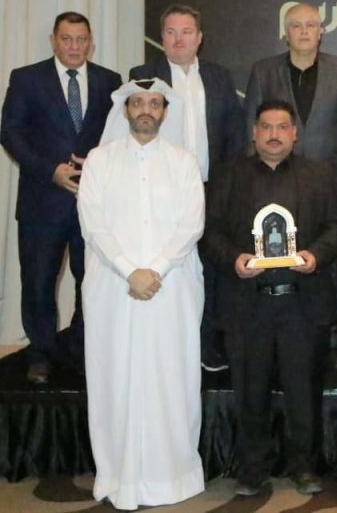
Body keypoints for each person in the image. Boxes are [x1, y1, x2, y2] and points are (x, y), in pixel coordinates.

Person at [202, 99, 337, 497]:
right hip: (248, 304)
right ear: (254, 133)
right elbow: (210, 232)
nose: (274, 134)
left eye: (283, 127)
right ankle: (252, 470)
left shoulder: (319, 175)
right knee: (250, 391)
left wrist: (317, 256)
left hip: (303, 303)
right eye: (266, 127)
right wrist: (234, 259)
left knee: (303, 392)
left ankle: (304, 467)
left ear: (295, 133)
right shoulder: (228, 176)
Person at [77, 79, 204, 510]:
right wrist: (130, 271)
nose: (146, 109)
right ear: (125, 109)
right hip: (114, 289)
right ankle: (120, 476)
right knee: (115, 376)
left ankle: (173, 477)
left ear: (165, 111)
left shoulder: (183, 162)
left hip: (172, 288)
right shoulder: (99, 160)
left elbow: (191, 224)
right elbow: (92, 223)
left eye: (154, 103)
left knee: (171, 376)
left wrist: (157, 269)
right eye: (137, 102)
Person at [1, 11, 121, 384]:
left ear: (91, 42)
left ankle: (82, 349)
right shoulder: (26, 78)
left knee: (92, 281)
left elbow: (118, 137)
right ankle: (40, 354)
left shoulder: (109, 81)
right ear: (54, 40)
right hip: (42, 200)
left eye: (81, 39)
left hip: (93, 203)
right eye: (66, 39)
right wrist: (49, 170)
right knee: (38, 282)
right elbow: (10, 132)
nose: (74, 46)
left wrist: (99, 164)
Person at [244, 2, 337, 369]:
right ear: (285, 32)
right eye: (296, 25)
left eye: (311, 25)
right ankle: (274, 338)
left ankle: (329, 338)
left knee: (325, 260)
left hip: (326, 186)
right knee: (276, 255)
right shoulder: (264, 71)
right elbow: (250, 132)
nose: (304, 32)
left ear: (321, 31)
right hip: (274, 182)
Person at [130, 3, 245, 372]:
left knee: (210, 269)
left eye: (186, 32)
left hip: (211, 188)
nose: (178, 39)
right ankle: (164, 347)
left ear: (199, 38)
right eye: (171, 32)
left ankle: (206, 345)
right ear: (161, 38)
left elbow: (234, 134)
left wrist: (228, 185)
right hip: (160, 190)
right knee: (167, 264)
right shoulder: (142, 76)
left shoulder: (218, 77)